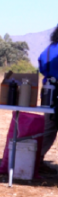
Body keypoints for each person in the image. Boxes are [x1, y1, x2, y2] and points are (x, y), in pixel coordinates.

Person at [37, 25, 58, 160]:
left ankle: (36, 162)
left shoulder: (49, 49)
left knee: (48, 131)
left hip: (49, 95)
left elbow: (42, 67)